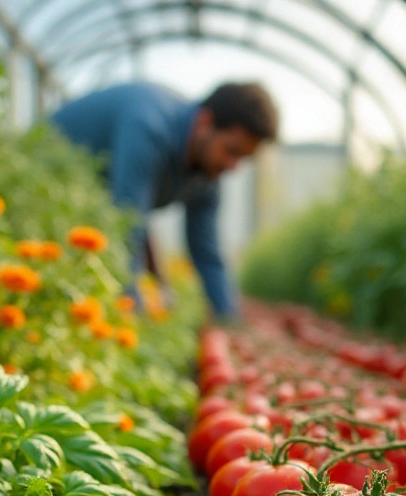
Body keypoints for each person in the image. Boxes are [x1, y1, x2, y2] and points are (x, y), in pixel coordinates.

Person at [50, 81, 278, 320]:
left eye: (242, 158)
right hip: (43, 179)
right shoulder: (148, 127)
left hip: (88, 205)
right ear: (205, 122)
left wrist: (229, 319)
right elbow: (127, 226)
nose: (233, 167)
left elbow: (206, 250)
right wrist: (133, 317)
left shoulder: (209, 174)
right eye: (232, 151)